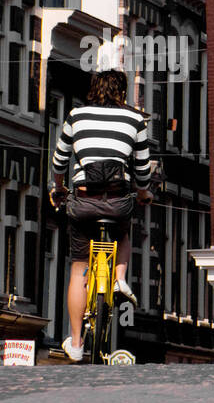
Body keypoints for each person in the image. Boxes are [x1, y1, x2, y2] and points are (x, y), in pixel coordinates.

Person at [49, 68, 151, 362]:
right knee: (123, 228)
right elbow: (142, 170)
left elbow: (59, 161)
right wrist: (143, 193)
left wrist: (59, 187)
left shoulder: (75, 117)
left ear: (93, 89)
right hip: (117, 202)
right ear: (122, 92)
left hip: (83, 201)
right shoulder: (135, 119)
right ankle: (119, 278)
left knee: (78, 268)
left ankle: (78, 344)